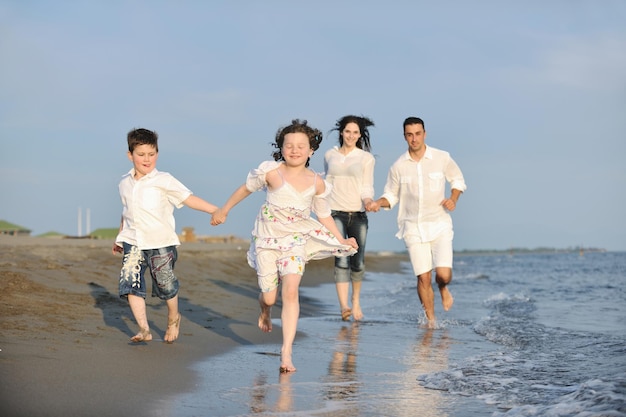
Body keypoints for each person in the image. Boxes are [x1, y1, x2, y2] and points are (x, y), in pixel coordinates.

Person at [211, 119, 358, 373]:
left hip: (296, 241)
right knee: (269, 295)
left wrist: (341, 239)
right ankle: (265, 311)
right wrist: (224, 209)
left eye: (301, 145)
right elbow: (244, 190)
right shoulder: (271, 172)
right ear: (281, 147)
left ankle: (286, 352)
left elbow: (323, 215)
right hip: (267, 240)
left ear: (311, 150)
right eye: (289, 145)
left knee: (290, 291)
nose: (295, 150)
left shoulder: (317, 183)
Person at [112, 128, 218, 344]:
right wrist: (119, 237)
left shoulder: (164, 180)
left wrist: (215, 210)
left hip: (160, 241)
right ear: (130, 155)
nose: (146, 159)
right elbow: (127, 212)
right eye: (141, 154)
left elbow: (188, 198)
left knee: (165, 285)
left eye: (151, 154)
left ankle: (173, 317)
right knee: (130, 283)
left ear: (157, 154)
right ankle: (144, 329)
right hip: (133, 241)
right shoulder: (124, 183)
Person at [369, 117, 466, 328]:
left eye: (418, 133)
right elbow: (391, 196)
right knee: (423, 278)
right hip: (412, 227)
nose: (414, 139)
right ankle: (431, 321)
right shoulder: (398, 166)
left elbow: (458, 180)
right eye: (410, 135)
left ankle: (443, 288)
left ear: (425, 134)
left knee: (443, 275)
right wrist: (378, 202)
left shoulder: (442, 157)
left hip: (439, 224)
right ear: (405, 136)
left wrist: (453, 199)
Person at [323, 115, 376, 321]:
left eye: (355, 132)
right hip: (334, 212)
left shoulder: (366, 158)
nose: (351, 136)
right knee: (341, 256)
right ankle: (344, 305)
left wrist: (369, 201)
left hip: (358, 213)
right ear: (341, 133)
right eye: (347, 131)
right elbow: (327, 182)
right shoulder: (330, 155)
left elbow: (366, 185)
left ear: (360, 135)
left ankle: (355, 301)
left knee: (358, 261)